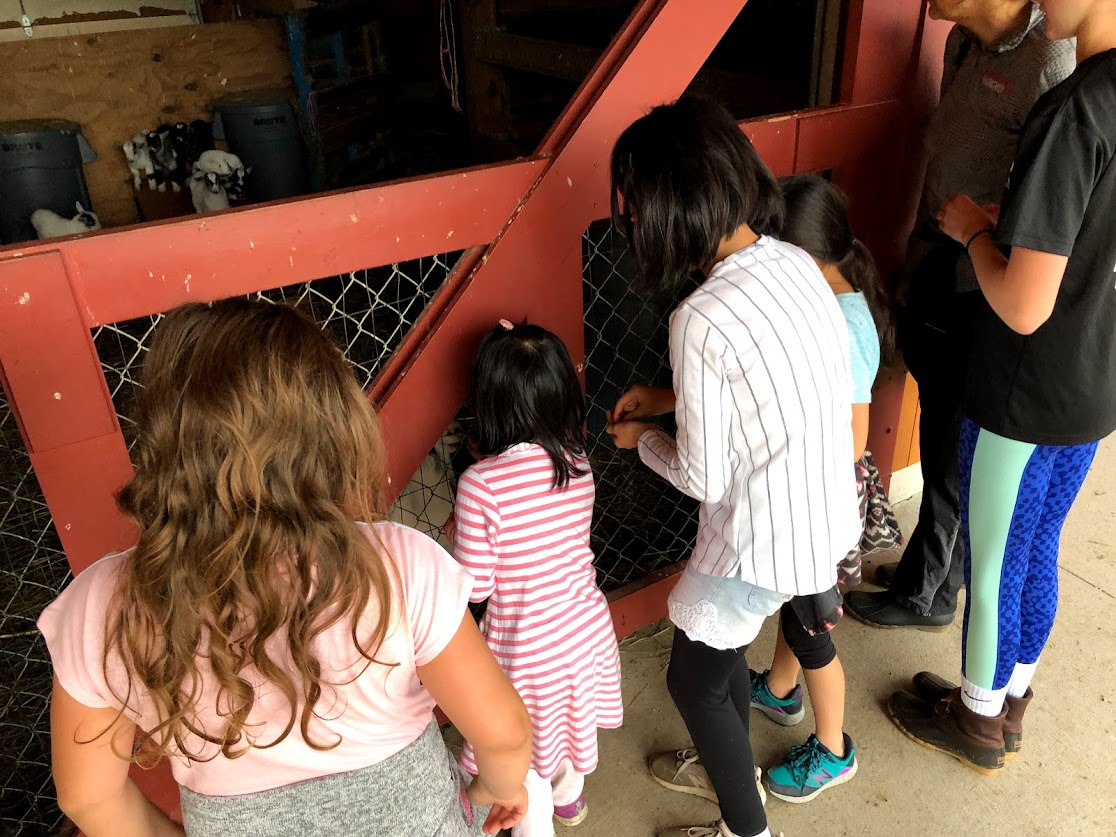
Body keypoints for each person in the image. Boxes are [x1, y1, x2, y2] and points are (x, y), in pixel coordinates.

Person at [40, 300, 533, 837]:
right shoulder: (398, 565)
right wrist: (495, 789)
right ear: (338, 430)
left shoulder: (104, 607)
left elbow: (87, 797)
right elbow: (504, 733)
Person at [606, 97, 861, 837]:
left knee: (693, 680)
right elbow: (771, 389)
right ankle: (728, 762)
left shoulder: (700, 317)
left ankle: (747, 829)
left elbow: (704, 477)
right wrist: (666, 397)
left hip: (759, 536)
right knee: (715, 662)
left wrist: (641, 441)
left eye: (634, 206)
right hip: (818, 514)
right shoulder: (790, 260)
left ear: (666, 208)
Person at [887, 0, 1116, 774]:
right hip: (1093, 383)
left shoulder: (1074, 106)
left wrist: (974, 233)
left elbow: (1022, 305)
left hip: (1023, 388)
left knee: (993, 562)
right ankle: (1012, 695)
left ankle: (976, 717)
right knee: (1037, 543)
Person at [845, 0, 1076, 630]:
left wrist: (982, 236)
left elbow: (1053, 194)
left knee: (953, 440)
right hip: (937, 255)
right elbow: (943, 161)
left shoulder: (1052, 62)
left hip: (985, 276)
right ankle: (930, 568)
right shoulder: (960, 44)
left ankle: (928, 596)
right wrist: (918, 248)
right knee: (941, 405)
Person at [746, 174, 893, 804]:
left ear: (803, 257)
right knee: (798, 605)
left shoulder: (841, 322)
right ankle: (780, 692)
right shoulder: (839, 300)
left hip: (822, 503)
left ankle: (833, 751)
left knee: (813, 629)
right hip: (819, 497)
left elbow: (853, 440)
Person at [450, 320, 623, 837]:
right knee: (566, 723)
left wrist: (458, 531)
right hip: (583, 629)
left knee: (523, 759)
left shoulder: (481, 485)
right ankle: (569, 797)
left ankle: (535, 818)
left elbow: (475, 586)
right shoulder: (577, 463)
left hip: (525, 644)